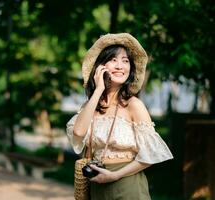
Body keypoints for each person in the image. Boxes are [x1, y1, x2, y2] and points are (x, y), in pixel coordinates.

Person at [66, 33, 173, 200]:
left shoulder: (133, 105)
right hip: (96, 185)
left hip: (126, 183)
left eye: (125, 61)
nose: (120, 66)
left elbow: (150, 154)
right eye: (113, 60)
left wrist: (116, 175)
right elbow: (78, 133)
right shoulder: (91, 106)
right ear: (100, 67)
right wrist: (99, 90)